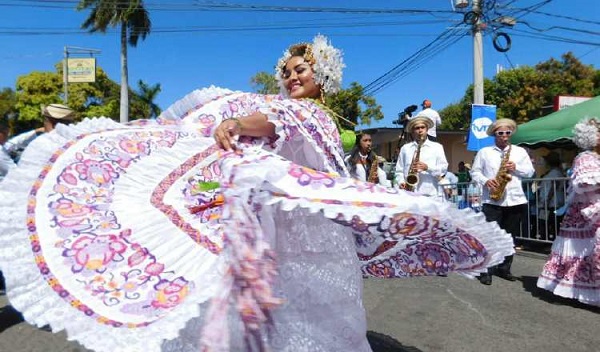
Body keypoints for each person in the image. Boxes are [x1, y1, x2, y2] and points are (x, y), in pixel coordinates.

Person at [0, 35, 514, 352]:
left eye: (301, 71)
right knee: (281, 300)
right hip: (281, 225)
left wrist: (244, 124)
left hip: (312, 227)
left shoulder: (320, 117)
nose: (292, 78)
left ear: (323, 79)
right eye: (287, 72)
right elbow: (267, 124)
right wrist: (237, 124)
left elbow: (281, 130)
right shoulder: (292, 111)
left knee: (314, 301)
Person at [537, 117, 600, 306]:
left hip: (592, 212)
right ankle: (573, 288)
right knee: (582, 252)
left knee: (588, 253)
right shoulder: (585, 158)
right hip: (585, 213)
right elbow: (586, 183)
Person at [470, 118, 535, 285]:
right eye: (501, 133)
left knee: (509, 237)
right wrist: (485, 181)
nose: (505, 136)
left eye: (508, 133)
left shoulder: (520, 152)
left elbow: (529, 172)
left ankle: (504, 268)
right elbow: (475, 172)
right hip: (492, 200)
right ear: (494, 134)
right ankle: (486, 270)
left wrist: (516, 169)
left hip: (515, 199)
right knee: (490, 236)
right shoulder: (484, 152)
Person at [394, 116, 448, 196]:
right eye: (417, 128)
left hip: (430, 194)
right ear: (412, 131)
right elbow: (399, 171)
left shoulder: (437, 147)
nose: (420, 130)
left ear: (427, 130)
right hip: (409, 193)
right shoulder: (405, 148)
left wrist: (428, 168)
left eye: (423, 127)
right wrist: (401, 182)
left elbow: (443, 169)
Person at [3, 103, 75, 162]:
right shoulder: (75, 144)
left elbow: (10, 145)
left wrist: (35, 131)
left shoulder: (39, 145)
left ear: (47, 120)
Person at [534, 151, 566, 240]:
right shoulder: (554, 172)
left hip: (551, 203)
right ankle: (547, 238)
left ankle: (548, 240)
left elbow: (553, 187)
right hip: (550, 202)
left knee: (548, 222)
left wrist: (547, 200)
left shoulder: (555, 173)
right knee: (548, 222)